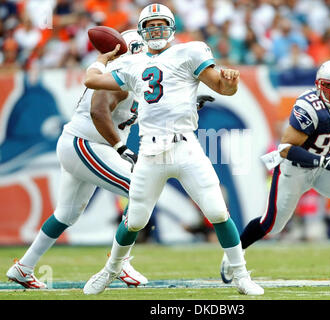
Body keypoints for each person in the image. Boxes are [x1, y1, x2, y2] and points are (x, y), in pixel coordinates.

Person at [6, 29, 214, 289]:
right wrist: (119, 147)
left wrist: (191, 102)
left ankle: (23, 267)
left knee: (66, 214)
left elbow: (153, 100)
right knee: (140, 188)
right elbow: (98, 110)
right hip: (86, 143)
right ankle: (121, 262)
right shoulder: (121, 74)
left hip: (82, 145)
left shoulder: (136, 75)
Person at [82, 3, 264, 296]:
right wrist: (104, 57)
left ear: (172, 27)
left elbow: (222, 87)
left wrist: (230, 83)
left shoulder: (190, 52)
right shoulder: (131, 63)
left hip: (185, 147)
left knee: (218, 211)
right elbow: (90, 80)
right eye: (150, 26)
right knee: (136, 220)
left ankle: (241, 275)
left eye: (161, 24)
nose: (156, 30)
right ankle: (110, 270)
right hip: (150, 153)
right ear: (142, 31)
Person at [221, 59, 330, 284]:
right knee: (272, 224)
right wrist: (324, 161)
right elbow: (286, 149)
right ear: (319, 84)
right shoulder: (308, 107)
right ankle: (233, 256)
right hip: (295, 168)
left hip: (324, 165)